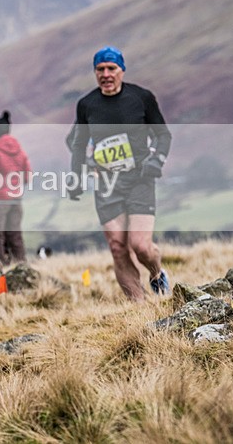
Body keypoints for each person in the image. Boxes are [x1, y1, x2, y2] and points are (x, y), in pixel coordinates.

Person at [68, 46, 172, 301]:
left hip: (139, 179)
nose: (106, 74)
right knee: (118, 247)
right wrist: (77, 175)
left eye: (111, 68)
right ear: (95, 72)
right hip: (106, 183)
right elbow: (77, 143)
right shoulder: (87, 104)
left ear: (122, 70)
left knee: (140, 246)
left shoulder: (141, 97)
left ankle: (157, 273)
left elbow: (163, 135)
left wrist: (156, 160)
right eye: (100, 69)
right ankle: (140, 309)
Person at [0, 110, 31, 265]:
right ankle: (21, 266)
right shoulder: (20, 153)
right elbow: (27, 176)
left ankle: (0, 267)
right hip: (16, 198)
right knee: (15, 235)